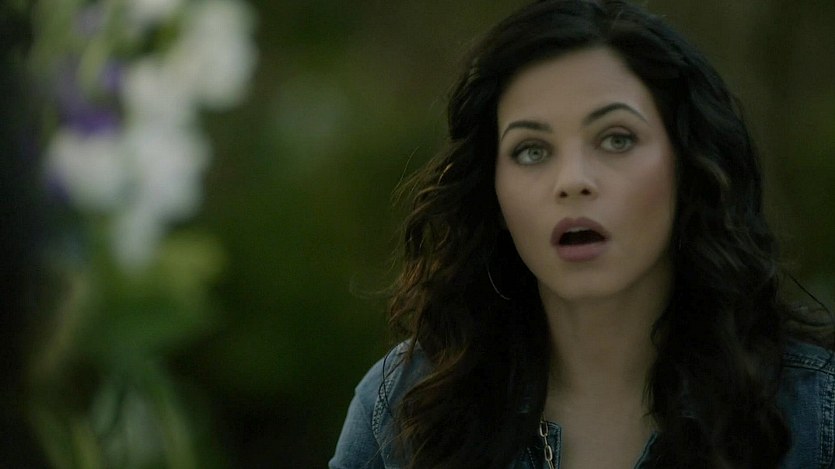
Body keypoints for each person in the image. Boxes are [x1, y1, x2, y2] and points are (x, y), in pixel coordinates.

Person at [330, 0, 835, 468]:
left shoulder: (814, 412)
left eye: (616, 139)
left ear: (689, 168)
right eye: (531, 150)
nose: (572, 181)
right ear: (494, 193)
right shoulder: (404, 407)